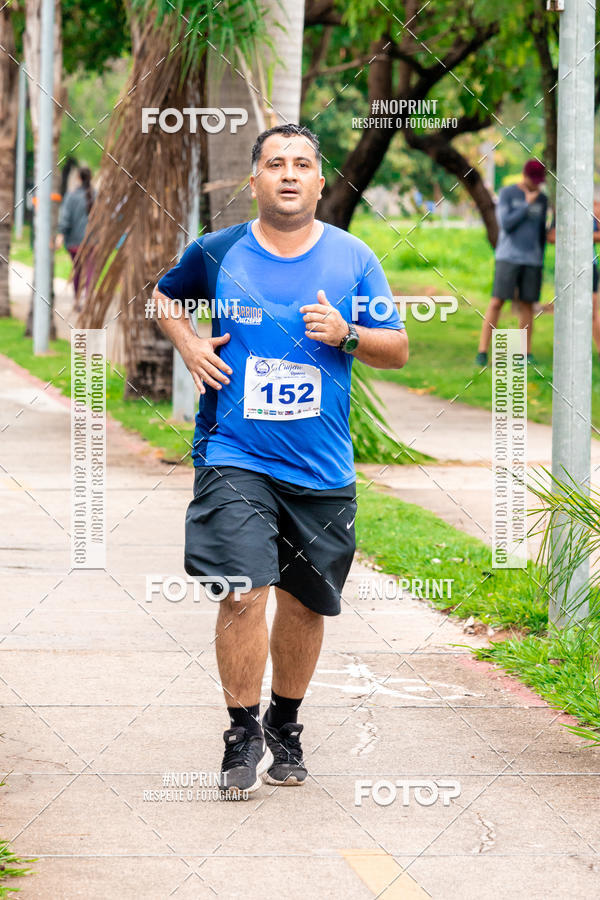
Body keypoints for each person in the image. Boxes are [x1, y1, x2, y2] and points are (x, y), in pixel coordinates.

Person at [153, 123, 408, 796]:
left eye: (301, 164)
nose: (288, 174)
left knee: (305, 603)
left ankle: (285, 723)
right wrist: (190, 344)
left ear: (321, 182)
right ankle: (241, 732)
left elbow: (397, 347)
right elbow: (165, 295)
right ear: (255, 180)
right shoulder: (218, 251)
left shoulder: (354, 258)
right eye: (275, 163)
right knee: (243, 588)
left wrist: (347, 334)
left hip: (321, 468)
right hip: (234, 453)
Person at [476, 159, 548, 366]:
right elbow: (506, 224)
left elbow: (541, 232)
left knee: (527, 305)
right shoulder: (508, 193)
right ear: (525, 176)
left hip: (532, 260)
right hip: (508, 257)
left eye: (539, 182)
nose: (536, 185)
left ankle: (524, 354)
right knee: (497, 302)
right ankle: (482, 352)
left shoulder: (543, 199)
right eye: (533, 180)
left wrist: (540, 258)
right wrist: (526, 204)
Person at [546, 197, 600, 360]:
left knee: (591, 311)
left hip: (589, 266)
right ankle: (567, 353)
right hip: (567, 268)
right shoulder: (562, 210)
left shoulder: (593, 208)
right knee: (566, 310)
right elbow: (551, 237)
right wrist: (571, 235)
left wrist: (580, 235)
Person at [56, 166, 95, 310]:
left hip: (74, 242)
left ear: (78, 178)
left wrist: (61, 235)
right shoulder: (96, 195)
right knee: (90, 270)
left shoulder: (71, 196)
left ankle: (77, 300)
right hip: (93, 241)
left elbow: (65, 218)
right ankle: (88, 300)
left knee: (77, 271)